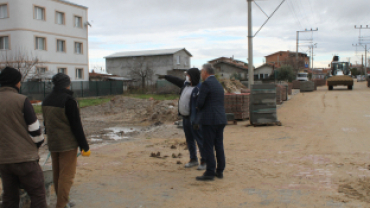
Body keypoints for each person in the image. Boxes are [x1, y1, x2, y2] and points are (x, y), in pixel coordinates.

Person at [0, 67, 47, 208]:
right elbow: (35, 131)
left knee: (9, 197)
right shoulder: (21, 100)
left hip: (3, 160)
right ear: (16, 82)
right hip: (25, 158)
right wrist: (35, 146)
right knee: (37, 194)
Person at [42, 73, 90, 208]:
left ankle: (62, 201)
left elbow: (46, 123)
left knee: (57, 174)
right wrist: (84, 146)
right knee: (66, 176)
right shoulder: (68, 101)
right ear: (67, 84)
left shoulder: (46, 100)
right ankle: (61, 204)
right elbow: (76, 125)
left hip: (53, 143)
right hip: (67, 144)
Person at [157, 68, 206, 170]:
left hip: (195, 119)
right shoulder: (185, 85)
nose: (186, 76)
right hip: (186, 118)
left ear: (192, 76)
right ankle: (193, 159)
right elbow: (175, 80)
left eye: (187, 74)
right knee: (189, 140)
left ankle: (205, 161)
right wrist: (166, 77)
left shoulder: (199, 88)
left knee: (200, 140)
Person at [195, 64, 227, 181]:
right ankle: (220, 170)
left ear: (205, 72)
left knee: (208, 146)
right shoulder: (218, 84)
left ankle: (209, 172)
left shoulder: (206, 84)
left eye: (201, 72)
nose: (201, 74)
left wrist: (197, 106)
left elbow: (200, 103)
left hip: (209, 120)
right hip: (220, 118)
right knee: (218, 145)